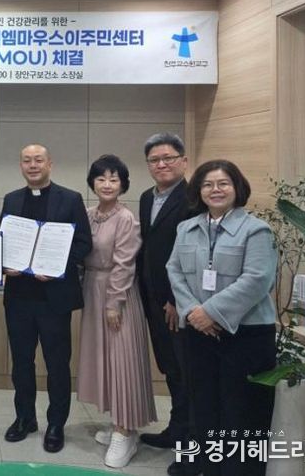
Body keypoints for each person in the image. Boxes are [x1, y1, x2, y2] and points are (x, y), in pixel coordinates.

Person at [166, 160, 277, 476]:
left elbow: (258, 279)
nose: (215, 190)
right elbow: (174, 270)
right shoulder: (186, 229)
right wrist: (193, 312)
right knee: (204, 404)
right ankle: (208, 466)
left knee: (243, 410)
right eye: (208, 184)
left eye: (223, 183)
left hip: (246, 335)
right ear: (199, 191)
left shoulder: (257, 230)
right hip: (199, 332)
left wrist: (210, 312)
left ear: (237, 188)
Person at [0, 143, 92, 453]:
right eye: (27, 160)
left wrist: (56, 267)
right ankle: (24, 418)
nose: (33, 165)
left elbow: (83, 244)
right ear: (21, 166)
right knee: (21, 363)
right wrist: (4, 263)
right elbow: (1, 241)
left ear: (49, 163)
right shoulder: (11, 199)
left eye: (38, 160)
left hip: (54, 298)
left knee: (57, 364)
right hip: (19, 298)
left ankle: (56, 424)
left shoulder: (71, 199)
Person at [77, 155, 157, 469]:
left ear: (123, 184)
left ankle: (126, 432)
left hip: (118, 294)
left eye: (114, 179)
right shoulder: (89, 214)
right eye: (101, 179)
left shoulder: (126, 218)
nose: (107, 184)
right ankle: (117, 423)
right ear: (92, 183)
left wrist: (114, 303)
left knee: (123, 360)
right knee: (104, 361)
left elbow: (125, 264)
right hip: (92, 290)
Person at [137, 133, 197, 476]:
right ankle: (176, 429)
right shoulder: (147, 198)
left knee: (188, 372)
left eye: (168, 158)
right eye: (154, 160)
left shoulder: (194, 198)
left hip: (178, 304)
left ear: (183, 161)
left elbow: (193, 255)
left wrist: (177, 300)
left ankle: (191, 445)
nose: (161, 164)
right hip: (152, 298)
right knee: (170, 368)